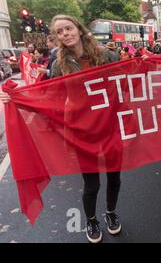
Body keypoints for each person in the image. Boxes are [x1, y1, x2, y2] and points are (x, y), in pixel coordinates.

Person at [6, 14, 121, 243]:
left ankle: (110, 214)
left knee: (114, 178)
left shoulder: (108, 56)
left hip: (109, 126)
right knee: (92, 184)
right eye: (59, 32)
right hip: (82, 131)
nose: (64, 34)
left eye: (68, 28)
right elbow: (51, 97)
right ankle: (91, 220)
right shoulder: (60, 64)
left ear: (79, 29)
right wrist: (14, 97)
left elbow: (125, 82)